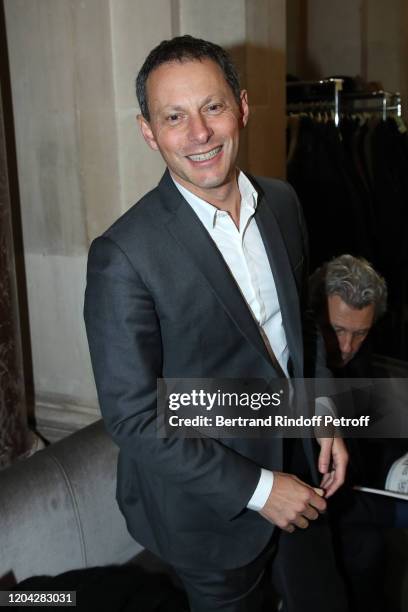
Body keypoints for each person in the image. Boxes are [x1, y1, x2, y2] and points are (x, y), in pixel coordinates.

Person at [84, 35, 348, 612]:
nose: (199, 133)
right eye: (174, 117)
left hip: (302, 466)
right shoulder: (124, 254)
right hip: (207, 514)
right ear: (149, 132)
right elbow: (132, 415)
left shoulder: (282, 203)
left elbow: (299, 328)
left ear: (243, 108)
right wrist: (260, 490)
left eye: (213, 107)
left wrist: (324, 414)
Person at [310, 254, 407, 612]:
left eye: (360, 333)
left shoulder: (360, 363)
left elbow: (375, 433)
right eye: (337, 330)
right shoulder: (296, 371)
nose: (347, 347)